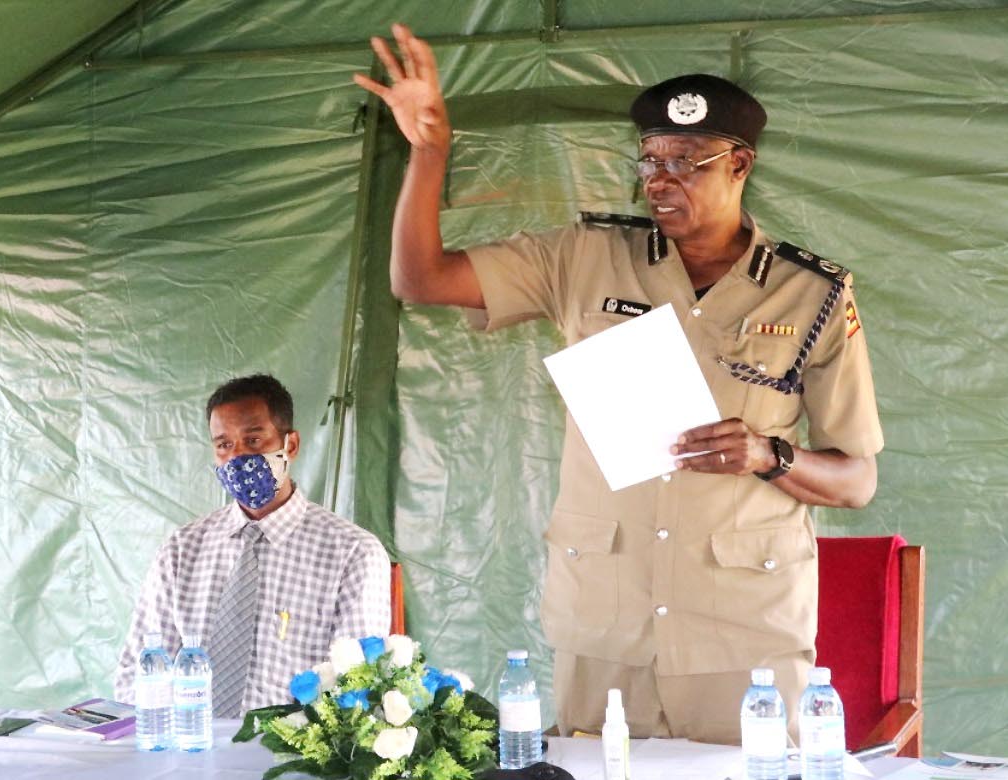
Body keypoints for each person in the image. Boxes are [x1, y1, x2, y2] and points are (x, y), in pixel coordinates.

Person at [355, 25, 883, 743]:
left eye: (688, 162)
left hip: (743, 631)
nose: (662, 181)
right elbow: (419, 279)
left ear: (741, 165)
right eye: (651, 161)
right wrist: (429, 152)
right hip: (604, 621)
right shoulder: (586, 258)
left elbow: (855, 479)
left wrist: (770, 456)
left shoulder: (809, 294)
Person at [114, 374, 391, 716]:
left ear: (290, 445)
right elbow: (137, 673)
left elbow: (357, 689)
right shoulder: (182, 549)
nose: (238, 457)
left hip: (290, 760)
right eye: (224, 445)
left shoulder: (353, 553)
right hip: (188, 750)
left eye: (254, 440)